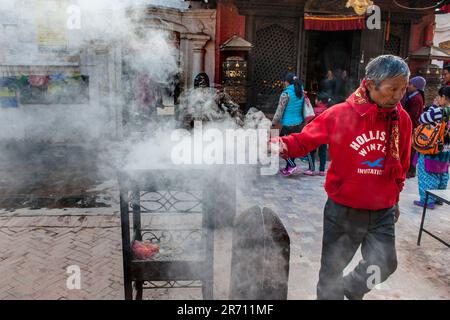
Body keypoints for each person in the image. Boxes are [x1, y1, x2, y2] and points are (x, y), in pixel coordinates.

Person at [271, 55, 412, 300]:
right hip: (344, 211)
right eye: (392, 89)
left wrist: (396, 200)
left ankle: (352, 287)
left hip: (382, 212)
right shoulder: (341, 114)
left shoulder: (403, 120)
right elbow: (304, 141)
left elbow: (402, 163)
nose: (398, 96)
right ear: (369, 85)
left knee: (385, 264)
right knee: (331, 273)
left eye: (403, 89)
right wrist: (275, 145)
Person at [413, 86, 450, 209]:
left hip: (433, 147)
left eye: (439, 97)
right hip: (446, 150)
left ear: (444, 98)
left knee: (427, 172)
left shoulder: (440, 111)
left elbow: (422, 119)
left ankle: (427, 200)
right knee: (442, 172)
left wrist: (434, 106)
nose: (438, 99)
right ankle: (438, 198)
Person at [272, 72, 309, 176]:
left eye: (285, 81)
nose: (284, 83)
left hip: (288, 124)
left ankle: (291, 165)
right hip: (299, 124)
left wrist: (274, 123)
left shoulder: (286, 93)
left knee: (280, 146)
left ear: (288, 82)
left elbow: (279, 110)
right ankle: (288, 168)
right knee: (293, 146)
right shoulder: (301, 92)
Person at [401, 76, 426, 178]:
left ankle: (411, 170)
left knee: (411, 150)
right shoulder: (413, 96)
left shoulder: (416, 98)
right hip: (412, 126)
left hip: (413, 127)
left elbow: (413, 115)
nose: (408, 86)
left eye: (410, 84)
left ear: (416, 87)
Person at [304, 92, 332, 176]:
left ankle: (311, 169)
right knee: (322, 153)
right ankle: (322, 170)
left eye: (316, 99)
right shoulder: (329, 111)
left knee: (311, 152)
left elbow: (308, 120)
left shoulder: (314, 110)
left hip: (314, 136)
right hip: (324, 136)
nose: (315, 100)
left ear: (319, 101)